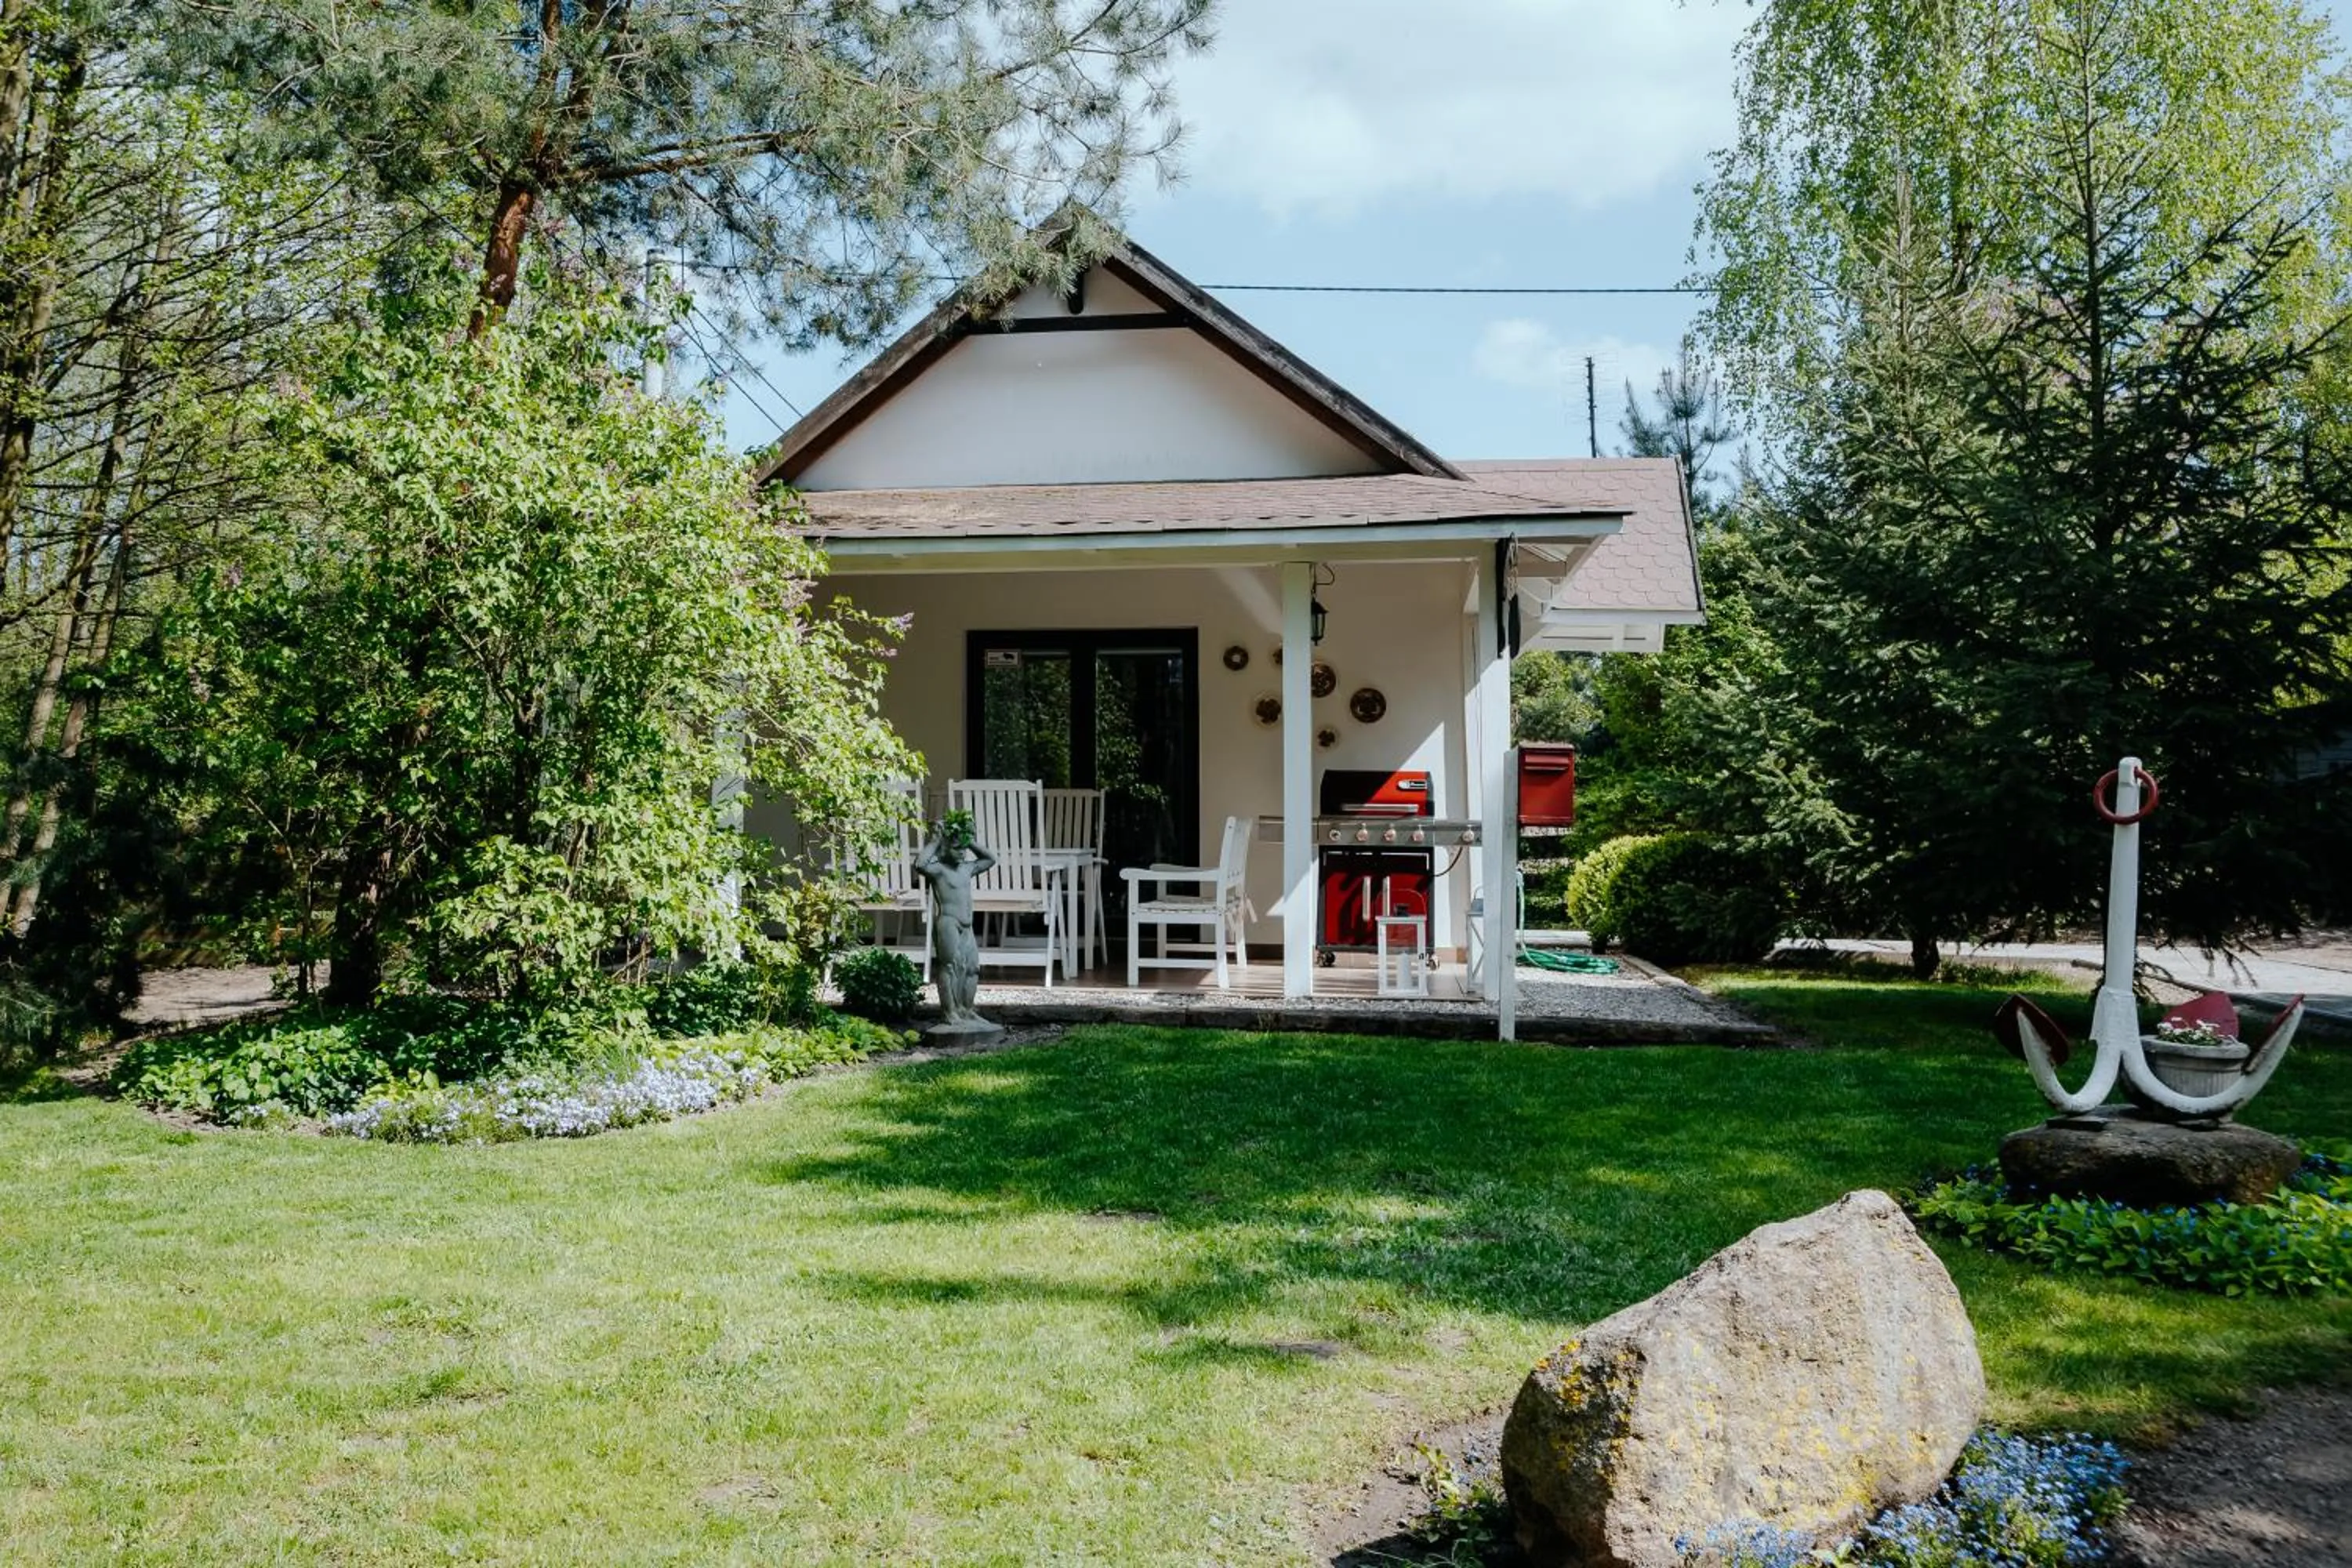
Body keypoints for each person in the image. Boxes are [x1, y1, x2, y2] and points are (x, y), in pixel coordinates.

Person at [913, 814, 997, 1028]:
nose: (961, 853)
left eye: (963, 849)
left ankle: (967, 1010)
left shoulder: (967, 868)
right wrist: (935, 840)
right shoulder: (940, 870)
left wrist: (970, 841)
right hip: (949, 923)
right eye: (956, 848)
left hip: (967, 926)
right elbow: (920, 864)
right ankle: (950, 1012)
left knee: (972, 969)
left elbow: (990, 859)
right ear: (945, 848)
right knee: (948, 966)